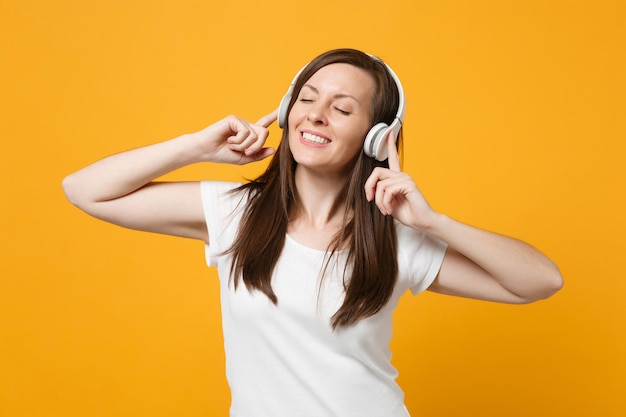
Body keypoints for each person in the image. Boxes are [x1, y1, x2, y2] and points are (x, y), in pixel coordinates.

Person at [62, 48, 563, 417]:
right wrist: (197, 148)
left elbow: (541, 281)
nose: (317, 115)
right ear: (286, 112)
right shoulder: (235, 214)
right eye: (306, 99)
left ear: (377, 137)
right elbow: (85, 190)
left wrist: (434, 222)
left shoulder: (393, 241)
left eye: (343, 108)